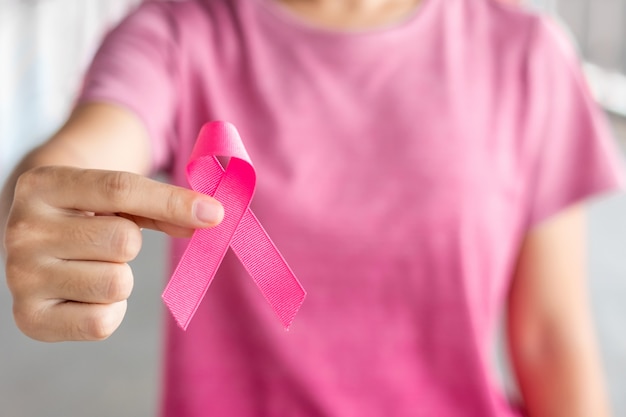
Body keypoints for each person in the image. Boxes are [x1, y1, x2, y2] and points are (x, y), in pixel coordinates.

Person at [1, 0, 623, 416]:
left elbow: (549, 337)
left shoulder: (525, 53)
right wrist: (43, 198)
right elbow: (95, 142)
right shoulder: (178, 30)